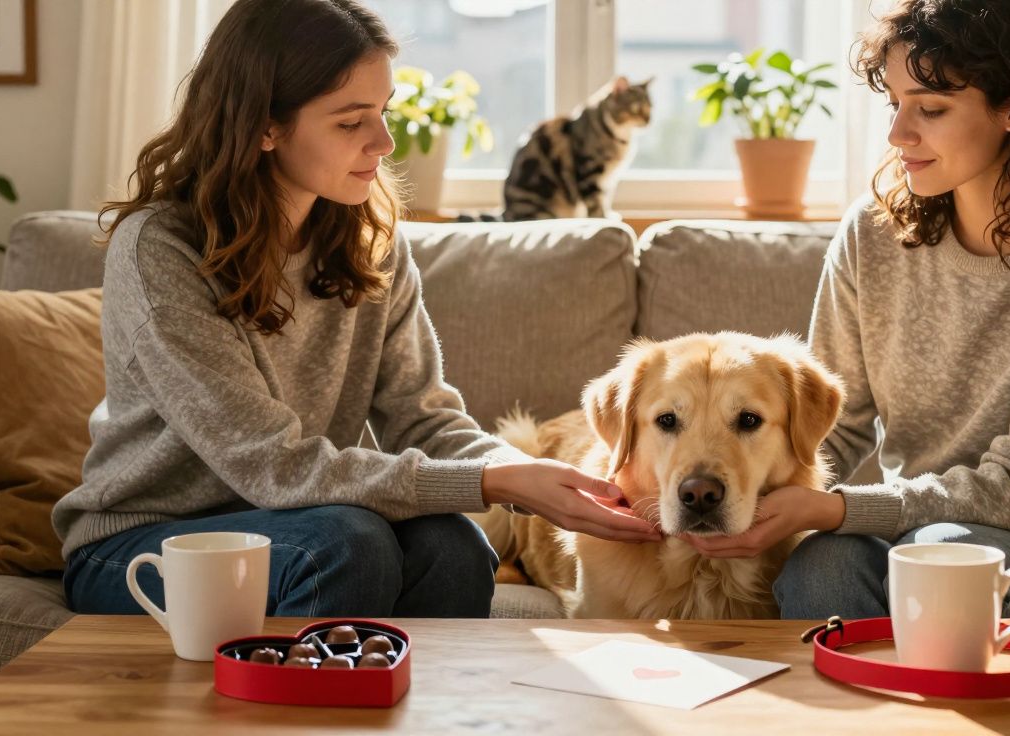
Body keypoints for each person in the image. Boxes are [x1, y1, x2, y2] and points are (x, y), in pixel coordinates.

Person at [54, 0, 660, 619]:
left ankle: (418, 716)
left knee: (453, 547)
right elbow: (268, 463)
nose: (385, 141)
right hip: (144, 543)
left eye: (384, 112)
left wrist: (526, 472)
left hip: (305, 520)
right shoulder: (160, 250)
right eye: (351, 122)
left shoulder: (370, 240)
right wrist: (490, 483)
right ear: (265, 125)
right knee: (350, 546)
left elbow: (422, 420)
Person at [683, 0, 1010, 619]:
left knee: (940, 558)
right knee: (824, 565)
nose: (898, 135)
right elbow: (833, 426)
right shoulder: (870, 235)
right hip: (915, 531)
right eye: (896, 105)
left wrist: (840, 509)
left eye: (931, 109)